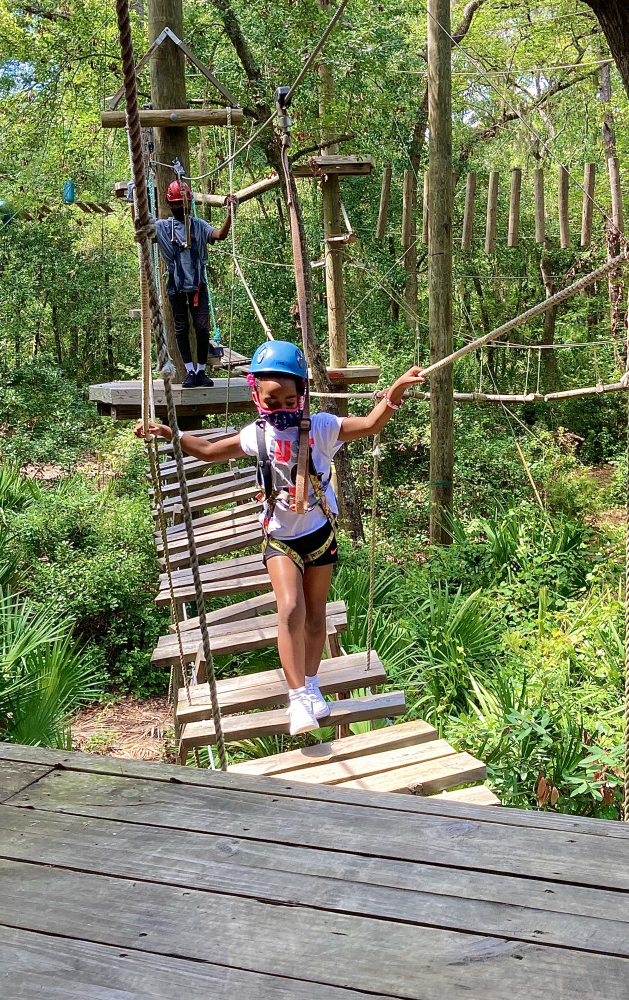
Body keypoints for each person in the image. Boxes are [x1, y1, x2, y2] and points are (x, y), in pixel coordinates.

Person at [137, 341, 424, 735]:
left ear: (302, 394)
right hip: (279, 537)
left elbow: (370, 425)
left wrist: (394, 392)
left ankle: (310, 686)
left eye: (291, 399)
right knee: (291, 609)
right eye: (273, 402)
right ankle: (297, 700)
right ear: (256, 396)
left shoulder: (321, 427)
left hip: (319, 534)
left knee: (316, 616)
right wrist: (170, 433)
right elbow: (206, 451)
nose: (283, 409)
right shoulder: (257, 435)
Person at [154, 180, 235, 389]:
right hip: (177, 286)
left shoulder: (198, 226)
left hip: (198, 285)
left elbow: (220, 234)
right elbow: (142, 227)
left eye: (184, 203)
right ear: (170, 205)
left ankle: (200, 371)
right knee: (181, 328)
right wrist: (136, 199)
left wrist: (229, 215)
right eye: (177, 204)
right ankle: (190, 370)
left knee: (202, 328)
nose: (181, 208)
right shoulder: (163, 227)